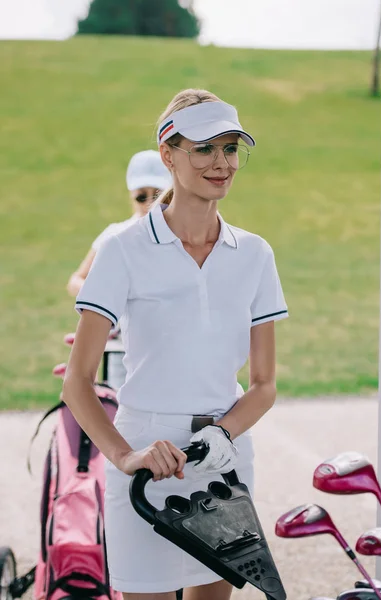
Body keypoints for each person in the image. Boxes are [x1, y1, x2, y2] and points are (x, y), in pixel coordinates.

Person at [63, 88, 289, 600]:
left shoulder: (254, 254)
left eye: (230, 148)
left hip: (223, 460)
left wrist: (224, 435)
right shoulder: (123, 249)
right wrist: (125, 458)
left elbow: (264, 384)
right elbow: (78, 382)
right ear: (168, 154)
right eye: (204, 148)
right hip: (147, 458)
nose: (222, 163)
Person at [67, 150, 171, 297]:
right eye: (141, 197)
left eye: (156, 196)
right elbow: (76, 280)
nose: (149, 204)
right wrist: (107, 297)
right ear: (131, 196)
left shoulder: (184, 234)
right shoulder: (115, 233)